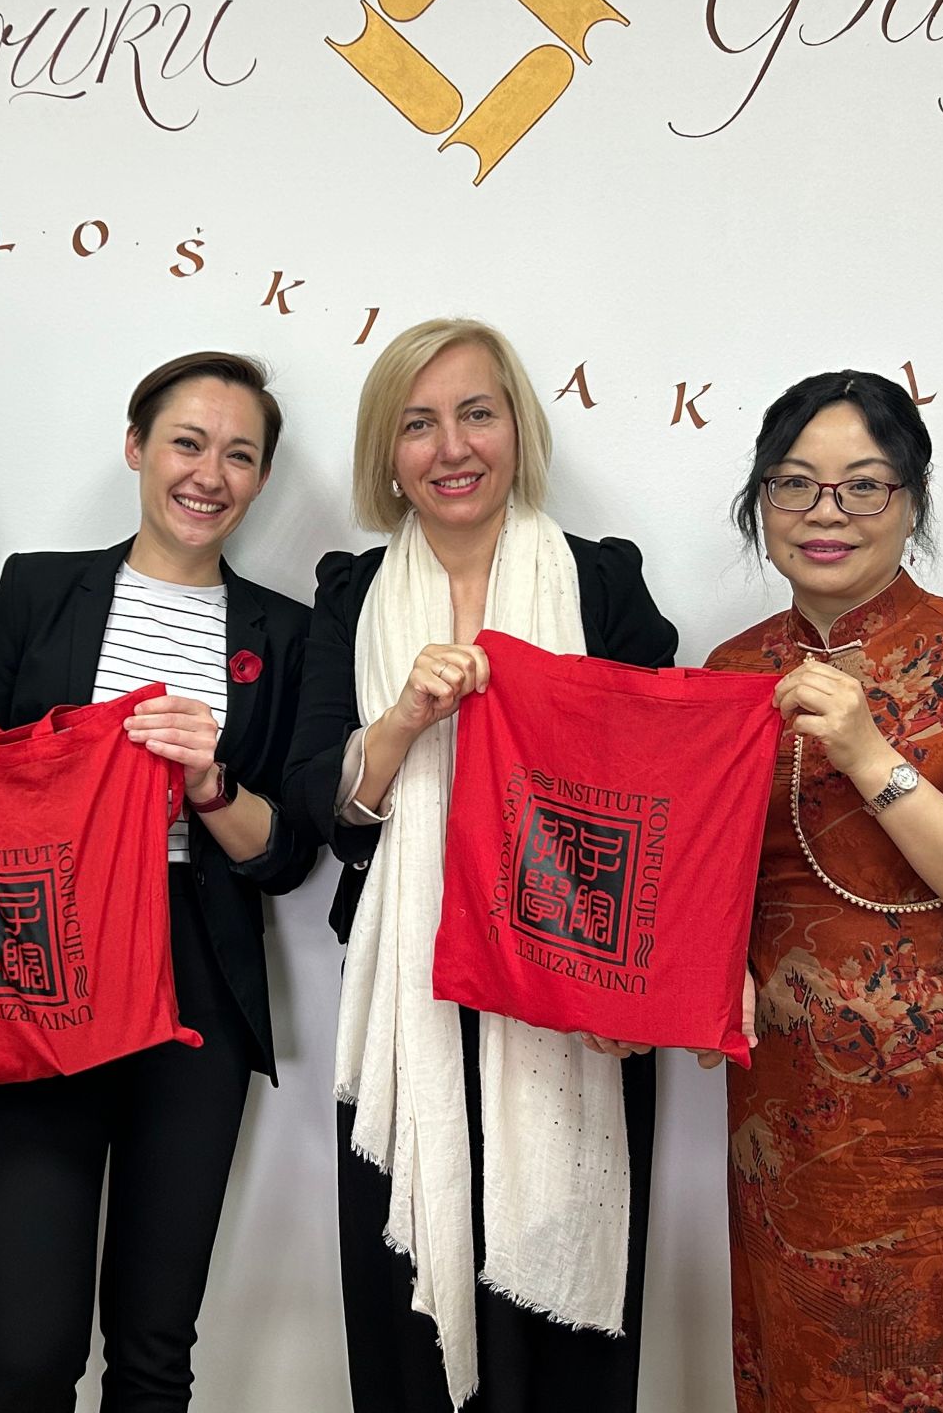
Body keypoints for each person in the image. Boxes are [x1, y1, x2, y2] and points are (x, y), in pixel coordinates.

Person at [0, 351, 317, 1413]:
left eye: (239, 456)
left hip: (195, 982)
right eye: (186, 443)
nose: (208, 474)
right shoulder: (40, 586)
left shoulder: (285, 634)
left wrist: (207, 784)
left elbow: (286, 854)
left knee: (153, 1352)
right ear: (136, 447)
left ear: (260, 479)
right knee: (29, 1354)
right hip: (34, 968)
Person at [280, 319, 678, 1413]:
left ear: (517, 430)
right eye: (418, 424)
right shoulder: (351, 594)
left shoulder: (599, 582)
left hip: (573, 995)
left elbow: (665, 796)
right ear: (388, 453)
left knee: (556, 1321)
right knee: (408, 1305)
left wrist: (636, 986)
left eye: (475, 414)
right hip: (409, 997)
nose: (450, 447)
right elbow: (321, 803)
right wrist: (404, 720)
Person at [701, 370, 943, 1410]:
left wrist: (869, 752)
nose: (824, 512)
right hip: (796, 1112)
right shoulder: (730, 674)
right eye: (793, 484)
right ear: (759, 503)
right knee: (810, 1369)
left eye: (863, 486)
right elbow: (705, 885)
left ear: (911, 503)